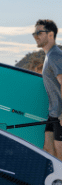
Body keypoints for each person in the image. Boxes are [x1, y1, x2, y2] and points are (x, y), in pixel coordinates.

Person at [33, 19, 62, 161]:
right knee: (48, 150)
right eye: (35, 33)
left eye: (39, 32)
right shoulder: (49, 55)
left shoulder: (55, 55)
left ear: (51, 35)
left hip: (60, 114)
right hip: (54, 113)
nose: (36, 36)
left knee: (60, 157)